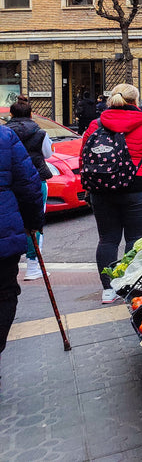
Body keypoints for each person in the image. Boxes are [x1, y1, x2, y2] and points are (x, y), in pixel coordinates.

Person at [82, 83, 142, 304]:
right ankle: (130, 284)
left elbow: (84, 158)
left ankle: (108, 290)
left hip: (102, 188)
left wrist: (90, 185)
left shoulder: (96, 124)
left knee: (107, 239)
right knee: (136, 238)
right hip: (139, 186)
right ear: (136, 100)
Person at [0, 122, 44, 367]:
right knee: (4, 293)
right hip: (3, 230)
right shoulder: (5, 136)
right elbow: (28, 184)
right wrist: (33, 223)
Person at [4, 97, 51, 281]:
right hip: (35, 178)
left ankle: (12, 264)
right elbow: (48, 153)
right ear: (31, 114)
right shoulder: (40, 132)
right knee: (35, 221)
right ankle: (33, 265)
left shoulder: (5, 133)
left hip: (10, 182)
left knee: (9, 221)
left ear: (11, 114)